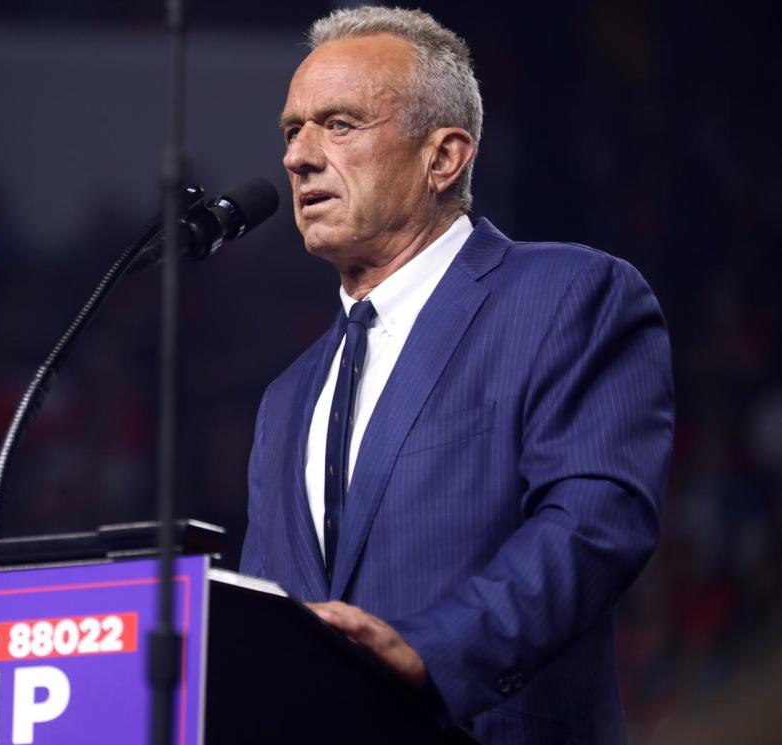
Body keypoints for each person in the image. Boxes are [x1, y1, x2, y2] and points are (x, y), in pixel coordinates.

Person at [239, 7, 674, 744]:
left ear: (444, 157)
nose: (299, 157)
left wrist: (433, 650)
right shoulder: (285, 401)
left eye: (338, 124)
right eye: (292, 130)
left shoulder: (569, 295)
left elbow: (595, 520)